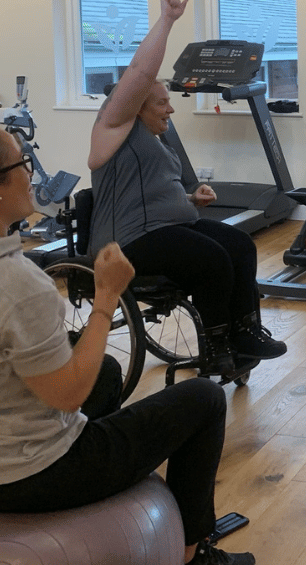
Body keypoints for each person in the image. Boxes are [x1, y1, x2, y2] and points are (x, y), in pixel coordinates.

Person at [0, 128, 254, 565]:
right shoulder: (22, 286)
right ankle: (194, 554)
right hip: (32, 475)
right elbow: (68, 394)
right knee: (205, 398)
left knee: (110, 373)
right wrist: (106, 299)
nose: (29, 173)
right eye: (22, 164)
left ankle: (122, 473)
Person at [88, 0, 285, 375]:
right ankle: (215, 346)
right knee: (209, 259)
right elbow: (140, 73)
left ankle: (244, 334)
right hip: (125, 240)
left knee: (240, 245)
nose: (171, 108)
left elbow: (151, 193)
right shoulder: (112, 129)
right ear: (134, 106)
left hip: (163, 230)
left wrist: (189, 200)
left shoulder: (154, 141)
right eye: (161, 103)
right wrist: (167, 20)